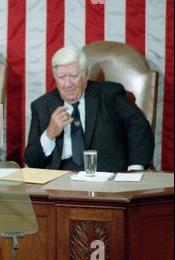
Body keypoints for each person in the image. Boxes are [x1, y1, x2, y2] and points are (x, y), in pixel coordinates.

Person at [24, 46, 154, 172]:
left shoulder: (109, 95)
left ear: (85, 75)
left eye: (73, 76)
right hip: (58, 182)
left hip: (105, 180)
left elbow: (139, 127)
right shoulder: (42, 106)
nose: (67, 84)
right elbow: (32, 161)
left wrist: (134, 170)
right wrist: (49, 134)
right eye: (61, 77)